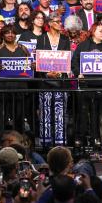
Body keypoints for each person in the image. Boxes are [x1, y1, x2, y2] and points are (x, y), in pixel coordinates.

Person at [71, 21, 102, 145]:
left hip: (101, 86)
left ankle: (95, 137)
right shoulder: (83, 46)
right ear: (93, 32)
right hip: (85, 85)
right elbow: (74, 62)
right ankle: (79, 138)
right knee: (82, 113)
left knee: (96, 114)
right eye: (100, 31)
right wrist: (78, 74)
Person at [36, 12, 71, 146]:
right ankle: (45, 143)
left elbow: (67, 60)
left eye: (60, 21)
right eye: (57, 21)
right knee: (45, 113)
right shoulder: (42, 39)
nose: (60, 24)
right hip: (45, 82)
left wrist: (60, 73)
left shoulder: (65, 39)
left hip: (61, 82)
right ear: (50, 23)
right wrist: (47, 74)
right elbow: (39, 61)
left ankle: (60, 142)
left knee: (60, 114)